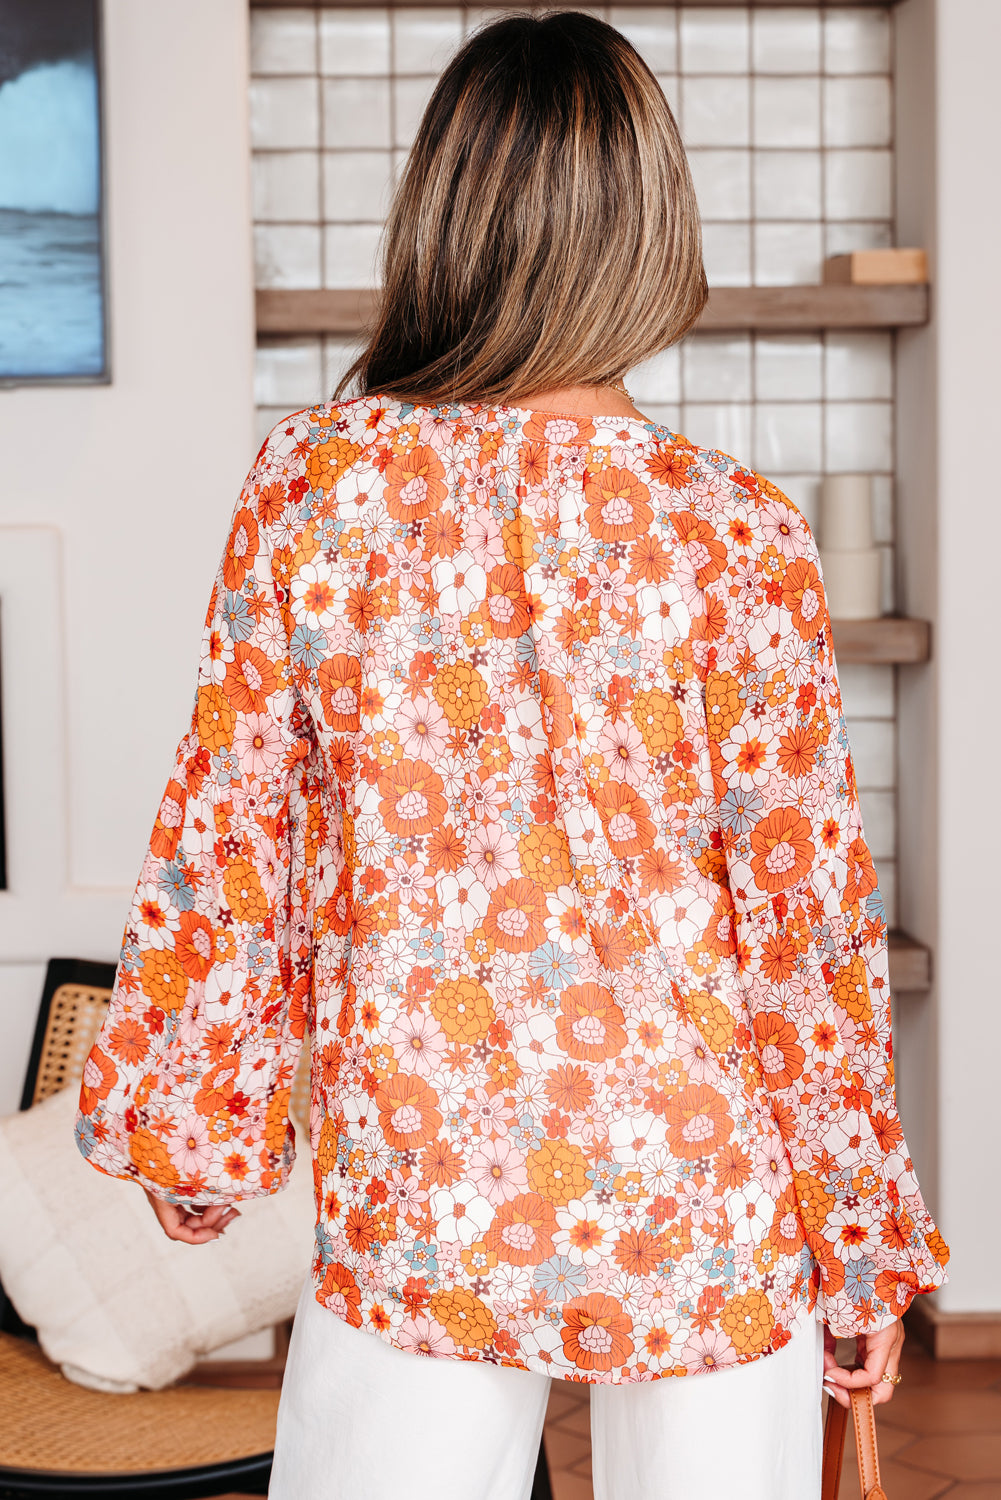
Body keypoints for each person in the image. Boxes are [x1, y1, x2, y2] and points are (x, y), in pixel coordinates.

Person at [77, 12, 949, 1499]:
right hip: (703, 1191)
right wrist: (858, 1242)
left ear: (442, 217)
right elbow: (802, 935)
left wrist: (199, 1130)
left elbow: (231, 834)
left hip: (427, 1184)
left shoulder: (315, 488)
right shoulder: (735, 533)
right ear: (650, 228)